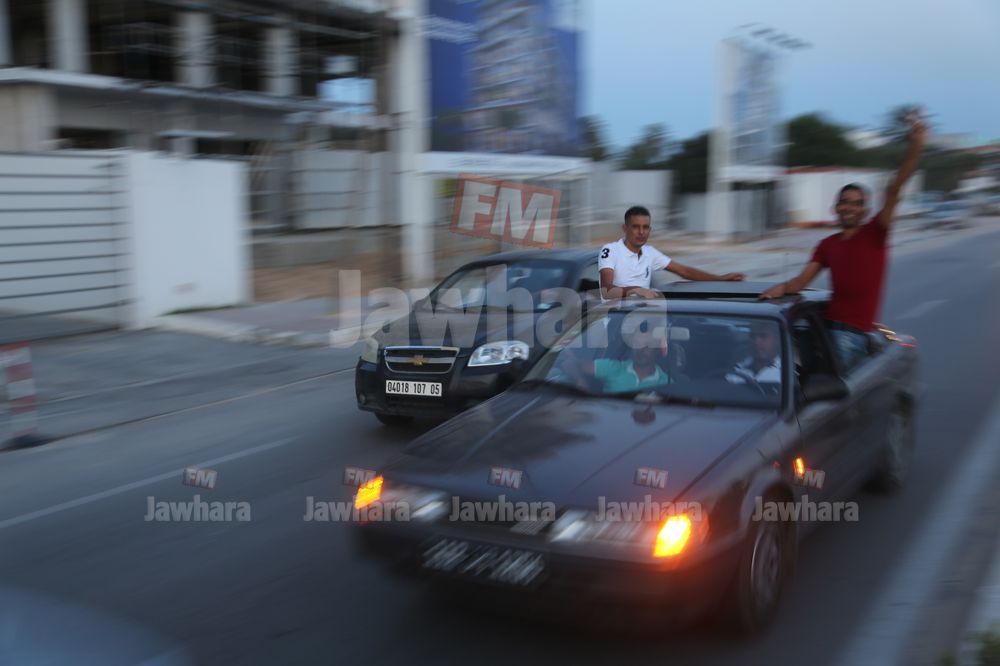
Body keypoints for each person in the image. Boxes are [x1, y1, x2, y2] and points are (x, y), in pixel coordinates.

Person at [761, 111, 928, 372]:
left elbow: (894, 190)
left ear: (864, 210)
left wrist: (916, 146)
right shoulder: (827, 245)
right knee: (794, 376)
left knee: (825, 389)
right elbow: (800, 283)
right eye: (844, 202)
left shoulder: (876, 232)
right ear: (835, 208)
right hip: (824, 330)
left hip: (852, 337)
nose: (850, 207)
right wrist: (775, 291)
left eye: (856, 203)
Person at [599, 206, 745, 299]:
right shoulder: (611, 250)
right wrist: (636, 290)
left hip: (640, 321)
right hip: (614, 321)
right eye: (636, 227)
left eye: (646, 227)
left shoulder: (650, 252)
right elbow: (606, 291)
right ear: (625, 229)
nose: (641, 232)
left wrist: (720, 279)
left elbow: (684, 271)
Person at [726, 321, 782, 386]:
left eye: (763, 336)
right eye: (753, 336)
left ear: (777, 339)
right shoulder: (737, 368)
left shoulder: (787, 372)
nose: (756, 342)